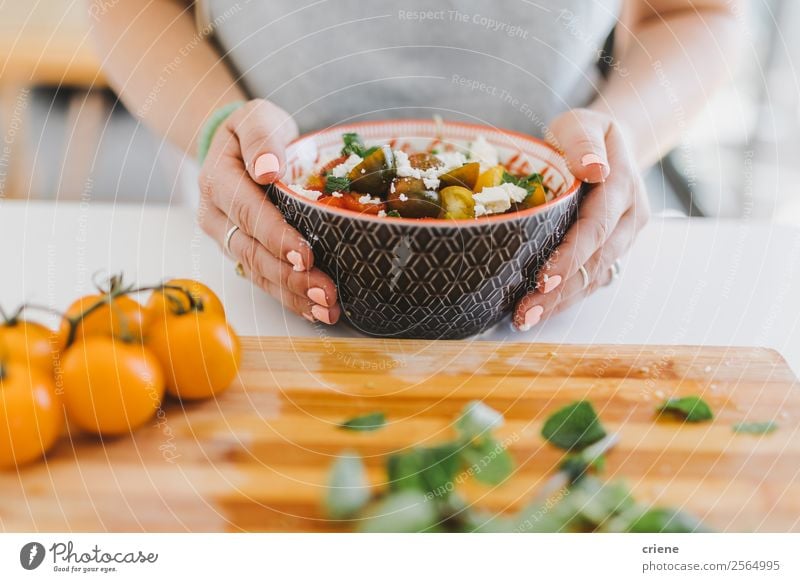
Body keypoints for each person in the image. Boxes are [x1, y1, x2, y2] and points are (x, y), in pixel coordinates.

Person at [90, 0, 742, 330]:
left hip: (556, 290)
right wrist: (215, 128)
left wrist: (621, 133)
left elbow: (695, 11)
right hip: (255, 270)